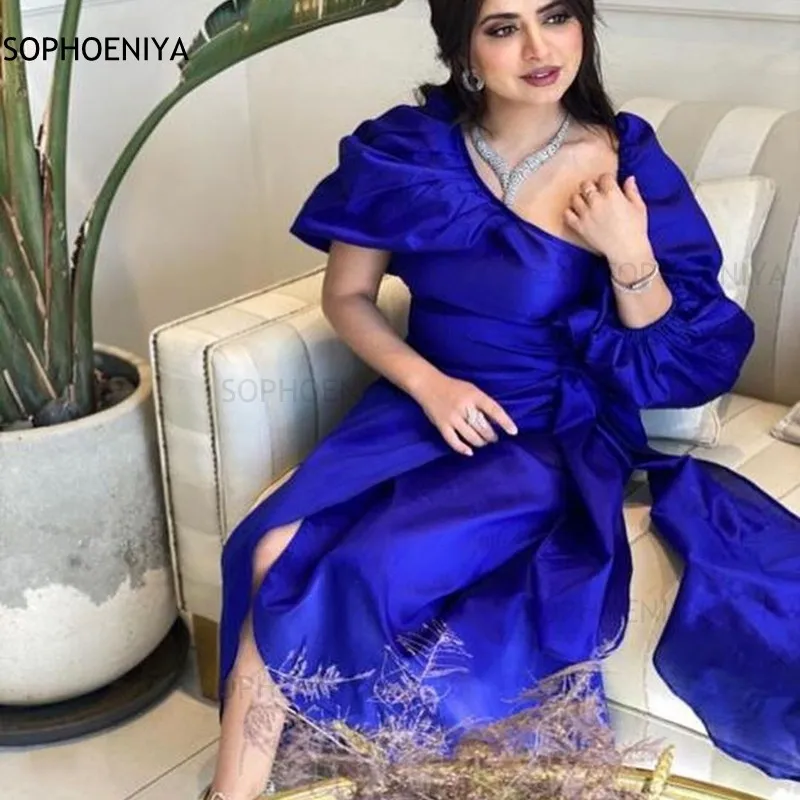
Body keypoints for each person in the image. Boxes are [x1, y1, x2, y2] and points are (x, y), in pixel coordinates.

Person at [201, 1, 800, 798]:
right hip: (422, 405)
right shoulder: (406, 150)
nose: (538, 48)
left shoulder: (624, 159)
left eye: (556, 17)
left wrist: (629, 254)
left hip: (545, 429)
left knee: (363, 566)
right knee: (272, 548)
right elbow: (347, 297)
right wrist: (428, 384)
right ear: (463, 48)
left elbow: (684, 366)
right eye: (502, 27)